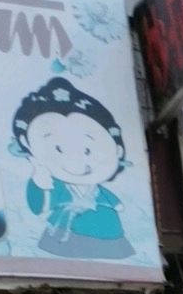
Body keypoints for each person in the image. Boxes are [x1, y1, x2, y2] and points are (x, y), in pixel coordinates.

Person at [12, 78, 133, 259]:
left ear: (118, 149)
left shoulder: (97, 190)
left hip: (108, 234)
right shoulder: (54, 184)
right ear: (27, 145)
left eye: (87, 150)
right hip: (65, 234)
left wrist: (117, 204)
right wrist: (41, 183)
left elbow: (110, 199)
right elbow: (40, 206)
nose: (75, 162)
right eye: (59, 149)